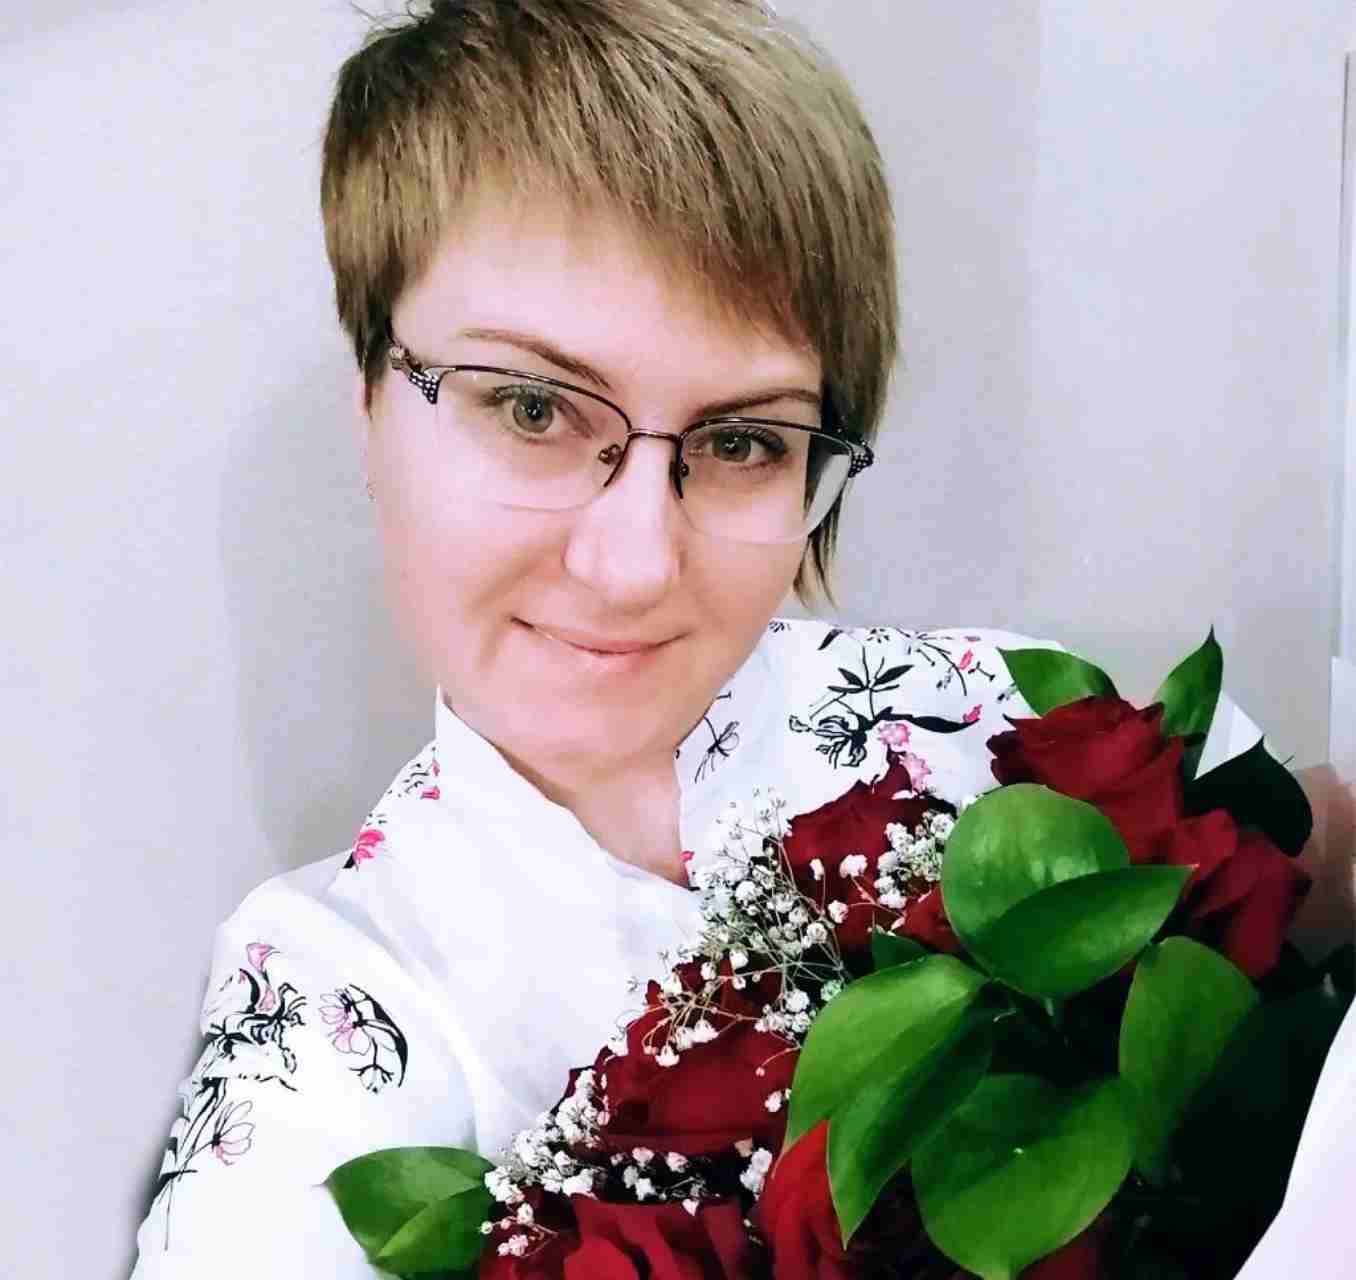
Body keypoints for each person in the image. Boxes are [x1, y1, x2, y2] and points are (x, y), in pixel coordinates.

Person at [129, 1, 1065, 1274]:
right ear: (371, 409)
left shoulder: (995, 720)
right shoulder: (336, 1032)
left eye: (741, 441)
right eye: (533, 409)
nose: (633, 567)